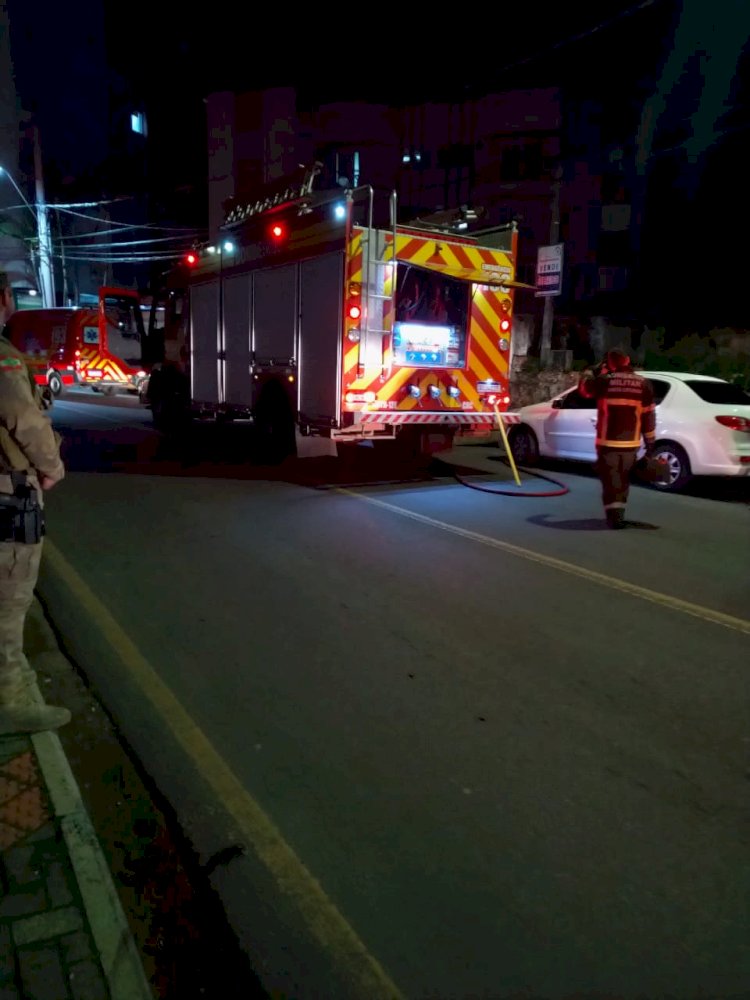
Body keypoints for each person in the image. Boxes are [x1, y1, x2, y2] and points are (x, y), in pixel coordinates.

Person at [0, 273, 70, 734]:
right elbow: (25, 420)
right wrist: (53, 467)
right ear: (4, 299)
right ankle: (11, 705)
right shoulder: (3, 358)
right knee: (9, 602)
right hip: (7, 495)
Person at [578, 347, 656, 529]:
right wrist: (650, 443)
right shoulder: (644, 384)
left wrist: (591, 371)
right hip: (631, 444)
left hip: (608, 443)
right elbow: (648, 416)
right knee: (623, 481)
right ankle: (619, 515)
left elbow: (584, 390)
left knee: (610, 481)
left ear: (611, 363)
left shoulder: (604, 381)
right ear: (627, 360)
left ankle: (614, 518)